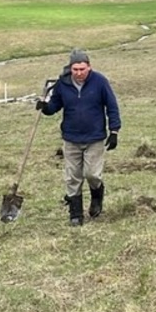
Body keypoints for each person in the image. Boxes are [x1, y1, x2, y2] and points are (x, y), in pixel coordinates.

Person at [38, 47, 121, 226]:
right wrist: (44, 108)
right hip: (71, 137)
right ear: (70, 68)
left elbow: (112, 106)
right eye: (75, 69)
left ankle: (97, 197)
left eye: (82, 69)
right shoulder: (62, 84)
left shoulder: (100, 82)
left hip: (95, 137)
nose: (79, 73)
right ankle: (75, 214)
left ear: (89, 67)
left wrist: (114, 131)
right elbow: (54, 106)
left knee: (92, 174)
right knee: (73, 176)